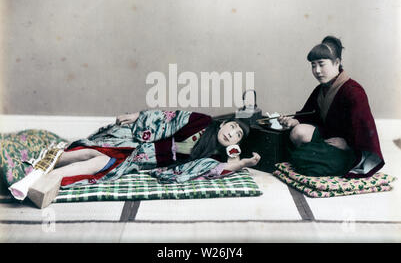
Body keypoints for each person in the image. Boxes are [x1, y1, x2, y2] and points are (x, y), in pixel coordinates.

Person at [10, 109, 261, 207]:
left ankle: (39, 174)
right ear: (224, 123)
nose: (232, 133)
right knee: (90, 152)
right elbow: (167, 117)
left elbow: (221, 169)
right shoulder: (202, 121)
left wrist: (246, 163)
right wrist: (137, 115)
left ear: (235, 143)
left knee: (97, 164)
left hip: (136, 160)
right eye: (233, 127)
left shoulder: (211, 157)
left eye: (238, 135)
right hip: (136, 140)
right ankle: (39, 165)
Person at [278, 36, 384, 178]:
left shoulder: (353, 91)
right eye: (313, 65)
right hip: (328, 140)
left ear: (337, 62)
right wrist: (294, 121)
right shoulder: (321, 89)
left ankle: (316, 158)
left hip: (348, 148)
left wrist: (348, 144)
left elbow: (364, 129)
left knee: (298, 157)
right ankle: (314, 157)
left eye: (321, 64)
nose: (317, 70)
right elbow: (309, 115)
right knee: (297, 133)